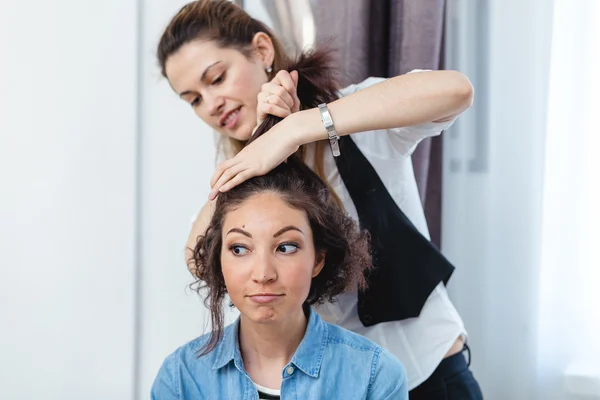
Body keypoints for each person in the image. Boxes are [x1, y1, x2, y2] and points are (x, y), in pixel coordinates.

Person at [157, 1, 482, 398]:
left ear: (261, 50)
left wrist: (296, 129)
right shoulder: (243, 176)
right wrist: (259, 144)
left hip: (431, 374)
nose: (211, 104)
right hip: (338, 386)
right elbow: (197, 259)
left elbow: (455, 90)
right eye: (193, 99)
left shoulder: (354, 117)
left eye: (218, 78)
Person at [151, 115, 409, 399]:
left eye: (285, 247)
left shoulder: (374, 377)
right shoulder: (181, 378)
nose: (263, 273)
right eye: (239, 249)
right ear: (219, 260)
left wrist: (294, 129)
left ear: (318, 259)